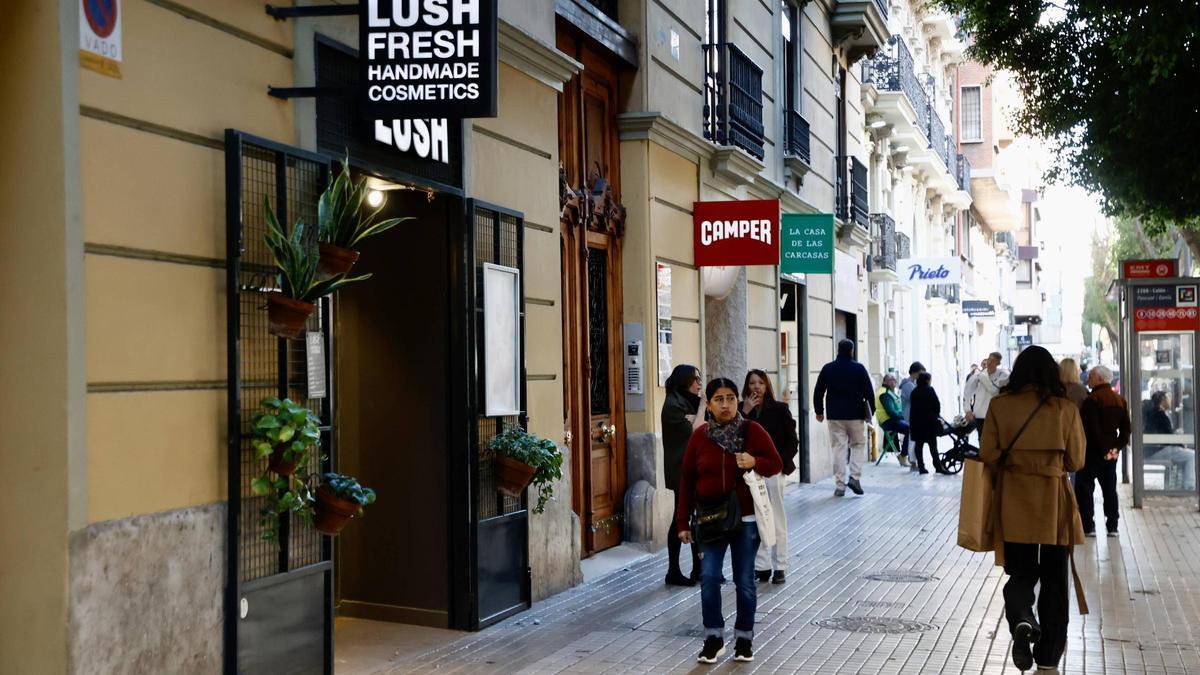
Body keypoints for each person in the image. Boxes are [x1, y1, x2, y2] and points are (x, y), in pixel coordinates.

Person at [979, 346, 1086, 674]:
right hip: (1053, 502)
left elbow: (988, 454)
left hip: (1013, 499)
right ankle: (1049, 657)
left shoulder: (1000, 406)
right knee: (1054, 579)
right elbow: (1076, 461)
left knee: (1021, 572)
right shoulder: (1064, 409)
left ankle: (1023, 616)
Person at [676, 378, 782, 664]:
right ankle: (713, 638)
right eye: (719, 399)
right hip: (710, 520)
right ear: (708, 404)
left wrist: (754, 461)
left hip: (745, 520)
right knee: (709, 577)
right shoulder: (700, 437)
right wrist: (682, 522)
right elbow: (686, 479)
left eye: (731, 398)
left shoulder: (752, 431)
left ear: (738, 401)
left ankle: (744, 639)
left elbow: (776, 464)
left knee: (745, 581)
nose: (726, 404)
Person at [741, 369, 798, 585]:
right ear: (746, 387)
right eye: (752, 383)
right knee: (756, 519)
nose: (756, 387)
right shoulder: (741, 411)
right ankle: (762, 566)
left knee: (776, 518)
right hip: (750, 473)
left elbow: (792, 442)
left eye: (760, 383)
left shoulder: (780, 409)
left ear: (767, 386)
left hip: (774, 471)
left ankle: (780, 566)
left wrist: (780, 465)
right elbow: (735, 437)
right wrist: (745, 411)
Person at [813, 340, 876, 496]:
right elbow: (869, 392)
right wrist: (871, 412)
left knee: (838, 449)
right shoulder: (859, 369)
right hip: (855, 415)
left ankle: (840, 485)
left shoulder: (828, 368)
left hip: (834, 416)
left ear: (837, 350)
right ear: (852, 351)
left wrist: (819, 411)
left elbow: (818, 390)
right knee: (858, 445)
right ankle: (855, 477)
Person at [661, 364, 705, 586]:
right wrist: (701, 413)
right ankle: (674, 571)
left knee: (695, 517)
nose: (700, 383)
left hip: (694, 470)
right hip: (682, 472)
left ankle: (699, 569)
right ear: (685, 380)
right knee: (682, 518)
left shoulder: (688, 401)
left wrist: (698, 417)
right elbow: (696, 430)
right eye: (695, 379)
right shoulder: (673, 405)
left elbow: (706, 425)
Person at [1076, 365, 1131, 537]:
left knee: (1085, 488)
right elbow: (1126, 429)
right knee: (1109, 489)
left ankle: (1088, 525)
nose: (1088, 378)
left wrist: (1101, 450)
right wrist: (1114, 450)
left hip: (1091, 452)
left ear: (1100, 379)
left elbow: (1091, 429)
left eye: (1091, 376)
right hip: (1111, 454)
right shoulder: (1119, 400)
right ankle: (1113, 526)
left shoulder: (1092, 400)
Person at [1142, 391, 1197, 490]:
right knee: (1192, 455)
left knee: (1185, 455)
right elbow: (1168, 438)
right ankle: (1189, 486)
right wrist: (1181, 444)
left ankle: (1180, 485)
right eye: (1168, 397)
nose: (1170, 400)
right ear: (1163, 400)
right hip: (1157, 450)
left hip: (1152, 450)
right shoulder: (1160, 415)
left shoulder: (1155, 414)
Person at [908, 372, 950, 474]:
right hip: (928, 423)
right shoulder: (930, 390)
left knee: (919, 446)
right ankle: (938, 467)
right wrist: (935, 415)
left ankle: (921, 467)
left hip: (916, 423)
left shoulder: (914, 392)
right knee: (933, 446)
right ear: (927, 380)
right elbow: (937, 405)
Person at [967, 352, 1010, 442]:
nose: (990, 362)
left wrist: (982, 376)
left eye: (993, 361)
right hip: (979, 414)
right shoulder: (980, 374)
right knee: (981, 439)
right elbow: (969, 391)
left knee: (993, 439)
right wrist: (969, 409)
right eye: (989, 359)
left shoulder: (1003, 375)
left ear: (998, 363)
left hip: (994, 414)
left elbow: (994, 391)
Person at [876, 373, 909, 465]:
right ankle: (904, 456)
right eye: (892, 380)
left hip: (893, 420)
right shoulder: (884, 393)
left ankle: (908, 455)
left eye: (895, 380)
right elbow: (891, 412)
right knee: (910, 429)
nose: (895, 381)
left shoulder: (889, 391)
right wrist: (904, 417)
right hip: (888, 421)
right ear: (885, 381)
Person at [899, 362, 924, 471]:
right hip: (911, 416)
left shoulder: (912, 384)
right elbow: (917, 398)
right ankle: (913, 462)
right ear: (915, 372)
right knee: (913, 440)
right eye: (920, 373)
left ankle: (914, 461)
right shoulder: (908, 385)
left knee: (913, 440)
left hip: (912, 416)